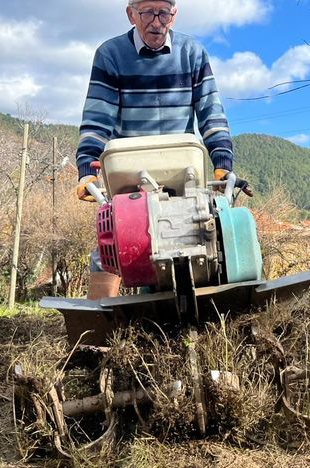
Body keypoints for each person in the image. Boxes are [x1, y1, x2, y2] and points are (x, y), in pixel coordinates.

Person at [75, 0, 241, 300]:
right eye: (147, 12)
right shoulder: (111, 55)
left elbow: (211, 112)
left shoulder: (192, 53)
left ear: (173, 15)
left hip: (183, 171)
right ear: (131, 14)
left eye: (163, 12)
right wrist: (87, 168)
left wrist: (222, 160)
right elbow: (98, 118)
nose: (156, 21)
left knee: (211, 235)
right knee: (111, 246)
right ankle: (99, 335)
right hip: (129, 174)